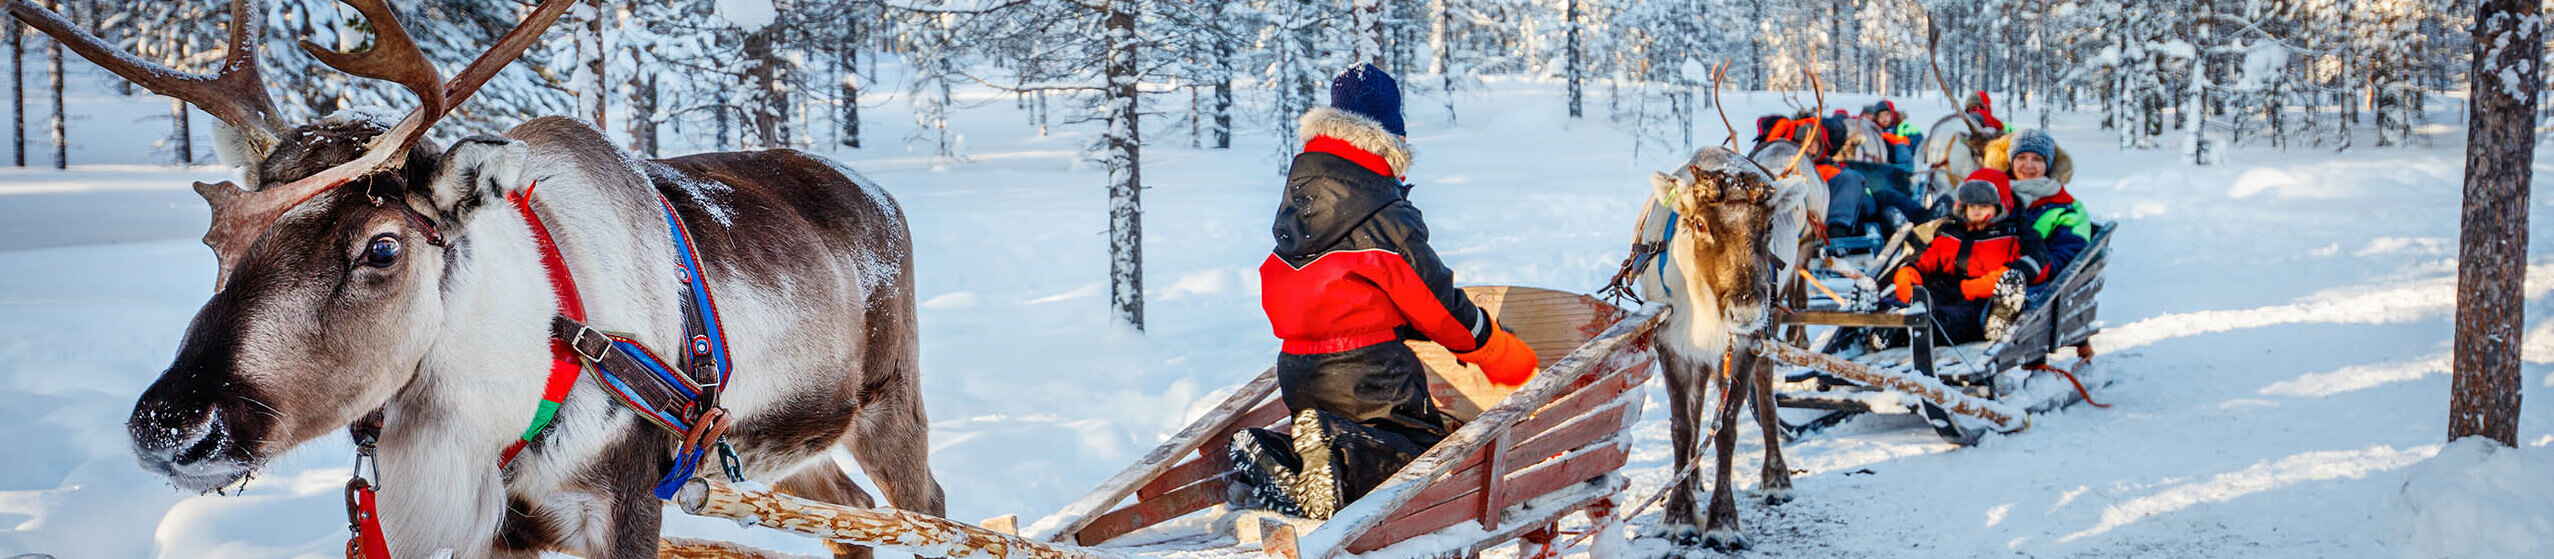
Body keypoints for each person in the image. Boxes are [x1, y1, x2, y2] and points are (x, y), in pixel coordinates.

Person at [1236, 63, 1539, 520]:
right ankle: (1337, 452)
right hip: (1369, 376)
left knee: (1351, 444)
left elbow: (1332, 291)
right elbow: (1437, 303)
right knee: (1425, 459)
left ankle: (1273, 450)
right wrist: (1491, 347)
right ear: (1391, 135)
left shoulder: (1303, 194)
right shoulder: (1379, 207)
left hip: (1298, 370)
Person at [1892, 180, 2049, 343]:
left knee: (1956, 319)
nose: (1976, 211)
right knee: (1927, 300)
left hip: (1981, 296)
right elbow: (1927, 259)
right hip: (1947, 288)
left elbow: (2034, 265)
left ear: (1997, 207)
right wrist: (1909, 277)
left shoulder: (2011, 235)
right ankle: (1890, 321)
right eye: (1971, 206)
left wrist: (1987, 284)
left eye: (1983, 206)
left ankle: (1907, 330)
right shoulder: (1951, 231)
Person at [2002, 129, 2093, 275]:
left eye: (2037, 159)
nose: (2028, 165)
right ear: (2011, 162)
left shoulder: (2067, 210)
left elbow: (2066, 256)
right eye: (2021, 157)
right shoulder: (1995, 195)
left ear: (2048, 164)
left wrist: (2025, 271)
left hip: (2031, 281)